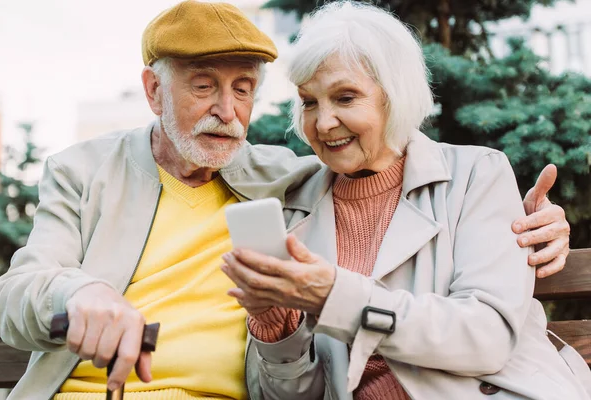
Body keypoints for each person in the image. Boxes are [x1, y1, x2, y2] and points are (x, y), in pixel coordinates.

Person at [0, 1, 570, 399]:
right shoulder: (90, 171)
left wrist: (540, 223)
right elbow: (18, 291)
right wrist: (80, 289)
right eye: (202, 86)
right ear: (152, 90)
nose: (228, 111)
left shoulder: (297, 183)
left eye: (243, 89)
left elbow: (484, 325)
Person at [220, 2, 590, 399]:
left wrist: (335, 295)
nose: (323, 122)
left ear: (394, 96)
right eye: (309, 102)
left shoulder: (475, 175)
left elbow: (487, 339)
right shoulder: (295, 209)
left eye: (345, 98)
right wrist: (280, 335)